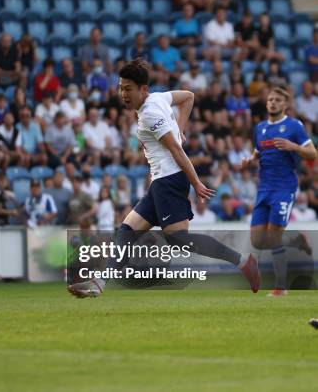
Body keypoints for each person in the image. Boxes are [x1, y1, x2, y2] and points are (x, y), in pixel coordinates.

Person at [68, 59, 261, 298]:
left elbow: (177, 150)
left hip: (169, 180)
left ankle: (243, 261)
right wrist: (180, 128)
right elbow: (188, 96)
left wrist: (196, 182)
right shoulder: (158, 98)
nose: (123, 94)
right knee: (127, 229)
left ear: (143, 89)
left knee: (179, 241)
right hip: (161, 181)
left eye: (128, 89)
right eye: (120, 87)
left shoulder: (149, 114)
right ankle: (100, 282)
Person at [241, 87, 317, 296]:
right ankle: (296, 240)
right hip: (264, 188)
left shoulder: (294, 126)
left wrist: (294, 146)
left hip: (284, 188)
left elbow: (312, 152)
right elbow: (259, 150)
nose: (273, 102)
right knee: (258, 240)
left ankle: (280, 287)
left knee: (273, 237)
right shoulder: (261, 128)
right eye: (270, 99)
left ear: (285, 105)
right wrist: (250, 160)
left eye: (277, 100)